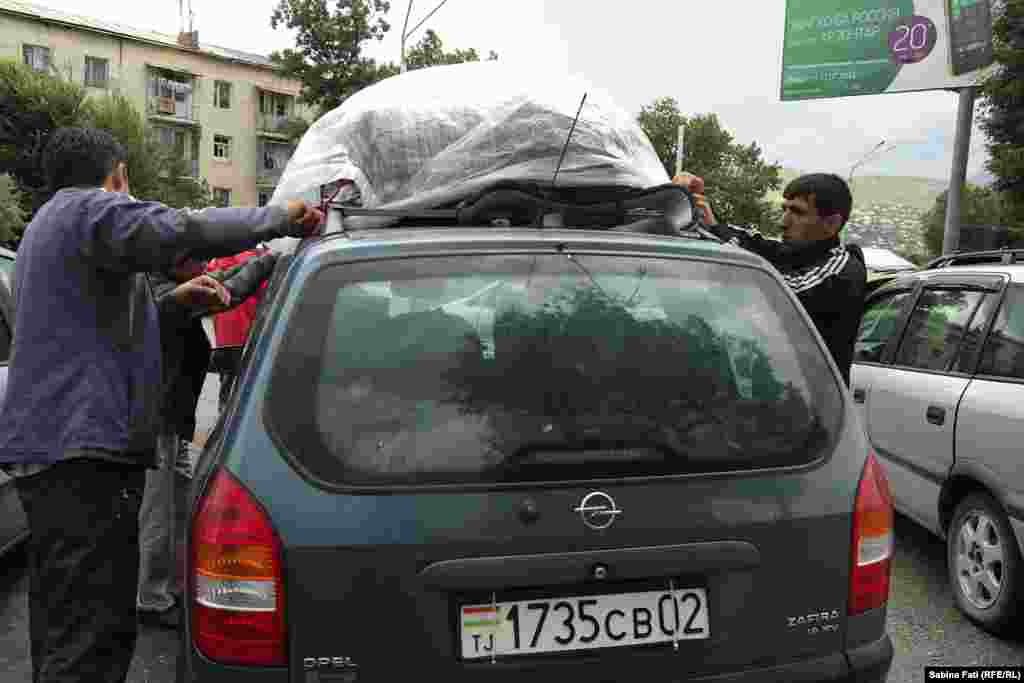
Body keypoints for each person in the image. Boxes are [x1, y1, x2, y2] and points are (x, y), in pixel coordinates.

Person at [0, 127, 322, 683]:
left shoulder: (50, 227)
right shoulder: (88, 213)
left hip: (63, 454)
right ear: (116, 175)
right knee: (90, 630)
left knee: (71, 617)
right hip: (81, 455)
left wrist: (172, 305)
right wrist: (283, 216)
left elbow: (96, 335)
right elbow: (183, 228)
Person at [137, 252, 279, 629]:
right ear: (173, 263)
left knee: (182, 504)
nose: (204, 266)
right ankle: (151, 598)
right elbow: (224, 290)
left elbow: (221, 275)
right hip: (157, 425)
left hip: (172, 423)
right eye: (195, 259)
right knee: (159, 515)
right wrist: (268, 262)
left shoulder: (164, 281)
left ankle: (173, 585)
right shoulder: (167, 296)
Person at [674, 172, 867, 386]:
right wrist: (709, 222)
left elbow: (783, 291)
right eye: (784, 209)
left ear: (831, 223)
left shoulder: (843, 271)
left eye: (797, 212)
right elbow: (752, 242)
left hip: (815, 409)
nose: (783, 222)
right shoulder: (794, 253)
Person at [205, 246, 275, 410]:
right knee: (247, 388)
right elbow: (268, 293)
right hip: (248, 339)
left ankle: (224, 413)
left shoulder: (220, 259)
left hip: (225, 340)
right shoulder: (260, 261)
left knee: (227, 384)